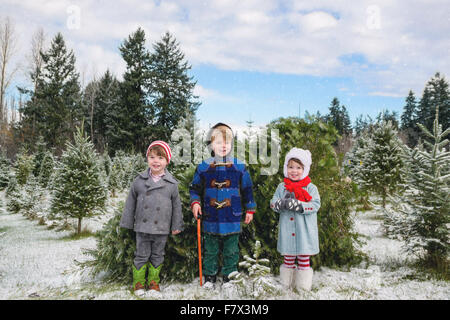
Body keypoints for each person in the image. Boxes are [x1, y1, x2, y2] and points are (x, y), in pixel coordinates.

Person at [190, 123, 256, 288]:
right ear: (211, 144)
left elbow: (248, 190)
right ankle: (210, 276)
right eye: (218, 142)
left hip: (231, 217)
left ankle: (229, 276)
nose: (223, 145)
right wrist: (195, 203)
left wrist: (250, 209)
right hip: (210, 216)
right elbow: (195, 189)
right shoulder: (204, 167)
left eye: (226, 142)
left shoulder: (239, 167)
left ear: (232, 144)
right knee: (210, 250)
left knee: (231, 251)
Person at [120, 140, 183, 295]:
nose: (156, 161)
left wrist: (176, 225)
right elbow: (130, 203)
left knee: (157, 255)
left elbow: (177, 207)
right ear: (147, 158)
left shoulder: (172, 184)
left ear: (167, 161)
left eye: (161, 158)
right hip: (142, 227)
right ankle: (139, 284)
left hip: (161, 227)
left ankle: (154, 283)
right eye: (152, 157)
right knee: (141, 255)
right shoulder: (139, 181)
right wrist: (127, 222)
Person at [270, 148, 321, 291]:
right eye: (291, 167)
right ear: (286, 168)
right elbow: (273, 202)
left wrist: (299, 205)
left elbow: (315, 204)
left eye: (298, 168)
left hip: (304, 231)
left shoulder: (311, 188)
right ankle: (287, 283)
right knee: (288, 257)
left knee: (304, 258)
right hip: (288, 230)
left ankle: (303, 286)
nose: (294, 171)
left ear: (304, 170)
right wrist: (280, 204)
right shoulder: (282, 187)